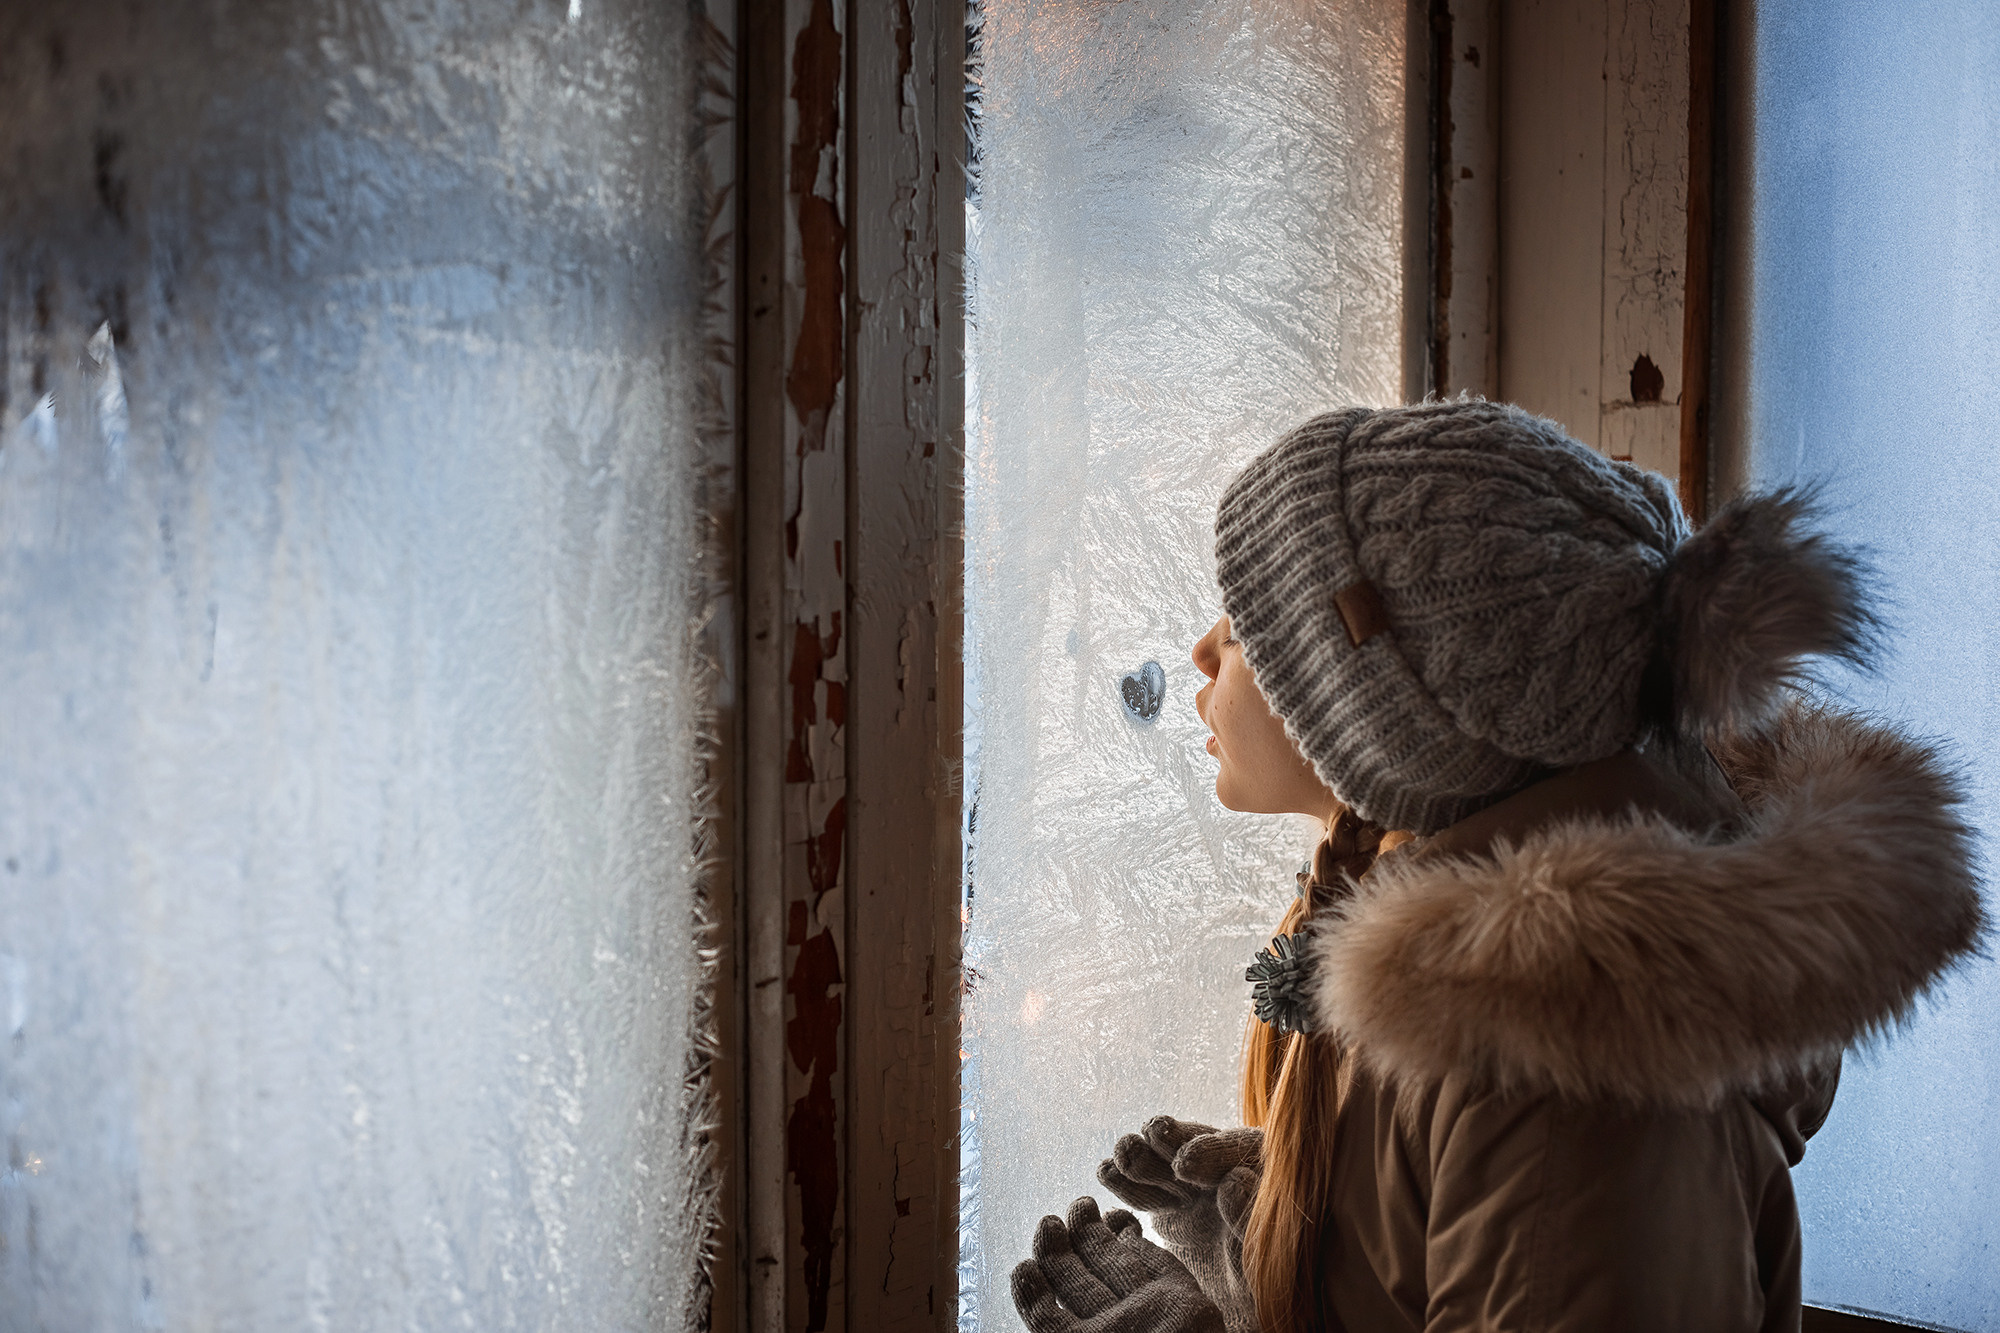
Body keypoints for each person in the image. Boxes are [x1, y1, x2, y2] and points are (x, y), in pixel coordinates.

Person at [1008, 400, 1986, 1333]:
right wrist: (1297, 1243)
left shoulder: (1566, 1057)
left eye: (1248, 621)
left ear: (1383, 704)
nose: (1203, 648)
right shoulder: (1440, 958)